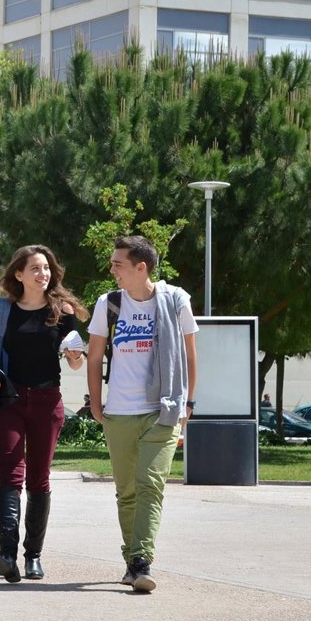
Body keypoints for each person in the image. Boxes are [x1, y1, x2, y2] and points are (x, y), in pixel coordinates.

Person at [86, 235, 197, 593]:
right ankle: (131, 559)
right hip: (119, 411)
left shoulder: (176, 300)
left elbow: (189, 354)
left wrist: (188, 402)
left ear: (141, 267)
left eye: (118, 264)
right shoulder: (109, 303)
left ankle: (142, 561)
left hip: (162, 407)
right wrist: (95, 402)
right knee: (127, 491)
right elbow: (94, 356)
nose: (112, 270)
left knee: (151, 483)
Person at [0, 244, 87, 583]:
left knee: (39, 478)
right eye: (35, 268)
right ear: (19, 274)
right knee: (9, 476)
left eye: (46, 268)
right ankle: (7, 555)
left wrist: (75, 355)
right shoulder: (3, 311)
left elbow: (76, 362)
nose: (43, 274)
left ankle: (33, 556)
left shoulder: (62, 311)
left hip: (46, 401)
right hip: (10, 401)